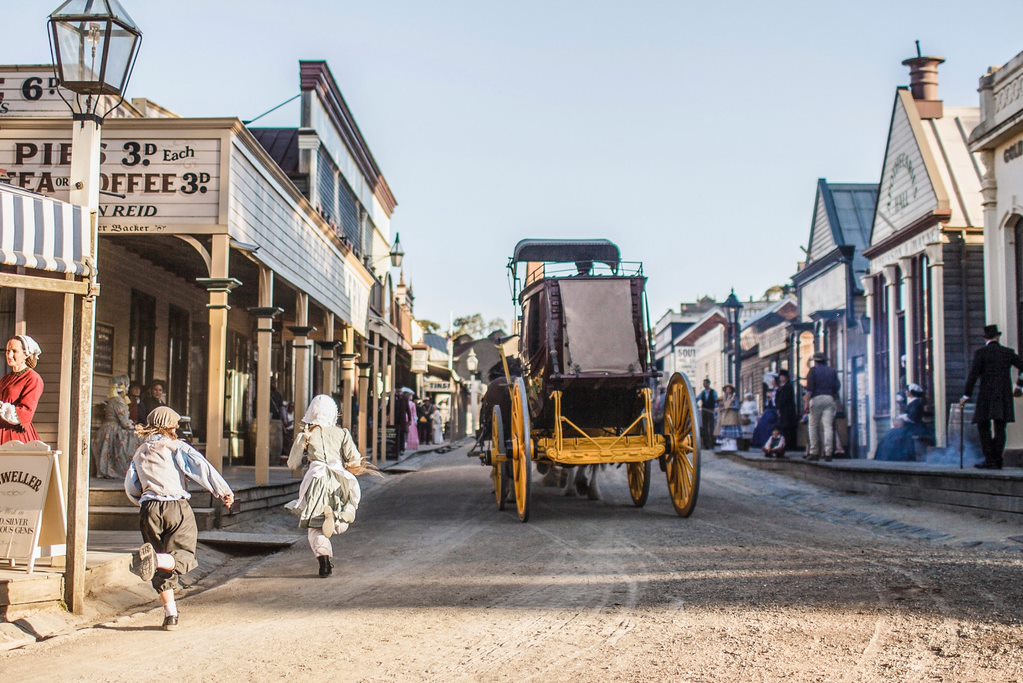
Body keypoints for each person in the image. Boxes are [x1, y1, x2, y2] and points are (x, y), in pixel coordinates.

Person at [124, 407, 234, 631]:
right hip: (176, 506)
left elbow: (131, 485)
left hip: (149, 509)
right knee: (183, 553)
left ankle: (170, 614)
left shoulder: (139, 452)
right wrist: (223, 491)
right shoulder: (176, 446)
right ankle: (157, 560)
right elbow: (201, 468)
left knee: (159, 560)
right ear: (171, 427)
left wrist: (143, 501)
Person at [286, 395, 368, 577]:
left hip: (316, 480)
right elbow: (354, 459)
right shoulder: (343, 433)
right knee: (346, 509)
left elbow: (292, 464)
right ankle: (339, 516)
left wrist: (303, 444)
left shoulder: (306, 435)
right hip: (338, 479)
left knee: (315, 526)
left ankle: (324, 561)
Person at [960, 324, 1023, 470]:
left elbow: (973, 375)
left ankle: (990, 459)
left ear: (985, 338)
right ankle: (998, 459)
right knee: (1000, 427)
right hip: (1003, 395)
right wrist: (1019, 385)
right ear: (997, 336)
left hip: (986, 395)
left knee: (984, 427)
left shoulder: (981, 353)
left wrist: (966, 395)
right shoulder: (1007, 352)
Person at [0, 335, 44, 445]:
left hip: (16, 436)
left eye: (14, 351)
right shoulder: (6, 378)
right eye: (7, 351)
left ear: (26, 354)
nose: (9, 355)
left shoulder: (33, 378)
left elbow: (25, 414)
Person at [94, 375, 139, 479]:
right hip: (112, 429)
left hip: (107, 428)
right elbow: (124, 422)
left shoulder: (114, 399)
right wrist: (135, 427)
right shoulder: (118, 401)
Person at [875, 384, 930, 461]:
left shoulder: (917, 403)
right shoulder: (912, 402)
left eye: (907, 391)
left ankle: (899, 458)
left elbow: (912, 418)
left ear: (911, 392)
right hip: (909, 426)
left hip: (914, 427)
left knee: (896, 435)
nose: (906, 392)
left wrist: (902, 417)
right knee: (890, 434)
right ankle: (887, 457)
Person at [805, 353, 840, 461]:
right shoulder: (832, 371)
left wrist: (806, 402)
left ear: (815, 361)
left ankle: (814, 452)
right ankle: (828, 452)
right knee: (828, 427)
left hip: (816, 398)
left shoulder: (813, 371)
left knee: (813, 426)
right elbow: (837, 386)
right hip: (829, 398)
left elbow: (810, 388)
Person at [751, 372, 779, 448]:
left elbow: (776, 402)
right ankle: (761, 442)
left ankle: (768, 442)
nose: (771, 383)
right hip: (769, 410)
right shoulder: (772, 390)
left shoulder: (778, 390)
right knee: (762, 424)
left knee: (768, 423)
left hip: (774, 410)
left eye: (773, 381)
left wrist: (772, 397)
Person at [774, 369, 798, 452]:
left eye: (783, 377)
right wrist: (778, 408)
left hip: (788, 410)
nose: (781, 378)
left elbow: (785, 399)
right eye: (780, 377)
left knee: (788, 427)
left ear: (786, 378)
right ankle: (784, 444)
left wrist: (780, 406)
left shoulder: (788, 386)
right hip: (782, 409)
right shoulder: (780, 387)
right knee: (783, 427)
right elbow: (777, 399)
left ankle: (789, 445)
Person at [714, 384, 742, 452]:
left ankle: (732, 446)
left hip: (732, 416)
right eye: (727, 389)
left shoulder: (734, 397)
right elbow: (721, 406)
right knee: (725, 433)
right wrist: (720, 408)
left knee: (731, 432)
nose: (728, 390)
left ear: (732, 390)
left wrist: (730, 407)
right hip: (725, 416)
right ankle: (726, 446)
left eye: (729, 389)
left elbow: (737, 406)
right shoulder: (724, 398)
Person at [697, 379, 718, 449]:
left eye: (705, 383)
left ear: (709, 384)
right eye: (703, 383)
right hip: (704, 411)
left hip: (711, 411)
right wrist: (697, 406)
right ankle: (706, 444)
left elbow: (716, 401)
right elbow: (696, 399)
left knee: (711, 427)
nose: (704, 385)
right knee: (705, 428)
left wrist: (716, 409)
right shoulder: (702, 393)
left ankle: (712, 443)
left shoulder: (713, 392)